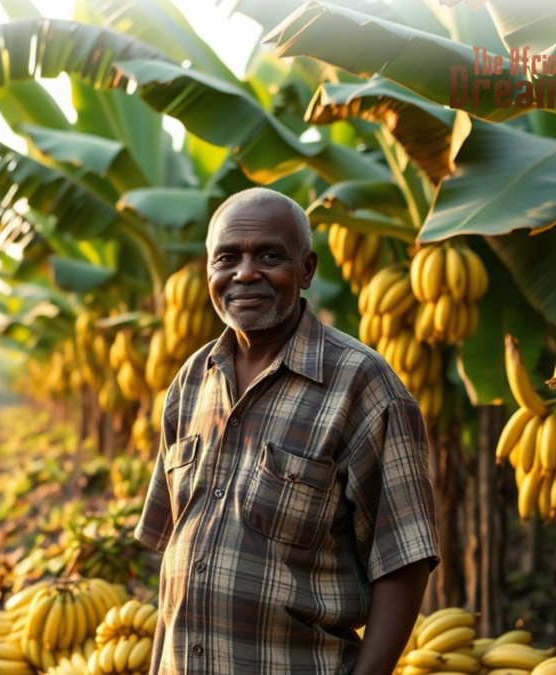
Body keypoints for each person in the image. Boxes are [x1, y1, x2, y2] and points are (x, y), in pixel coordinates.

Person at [135, 187, 440, 675]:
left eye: (269, 255)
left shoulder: (362, 384)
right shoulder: (191, 380)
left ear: (307, 269)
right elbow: (176, 546)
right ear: (209, 272)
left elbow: (404, 560)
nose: (245, 272)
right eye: (227, 258)